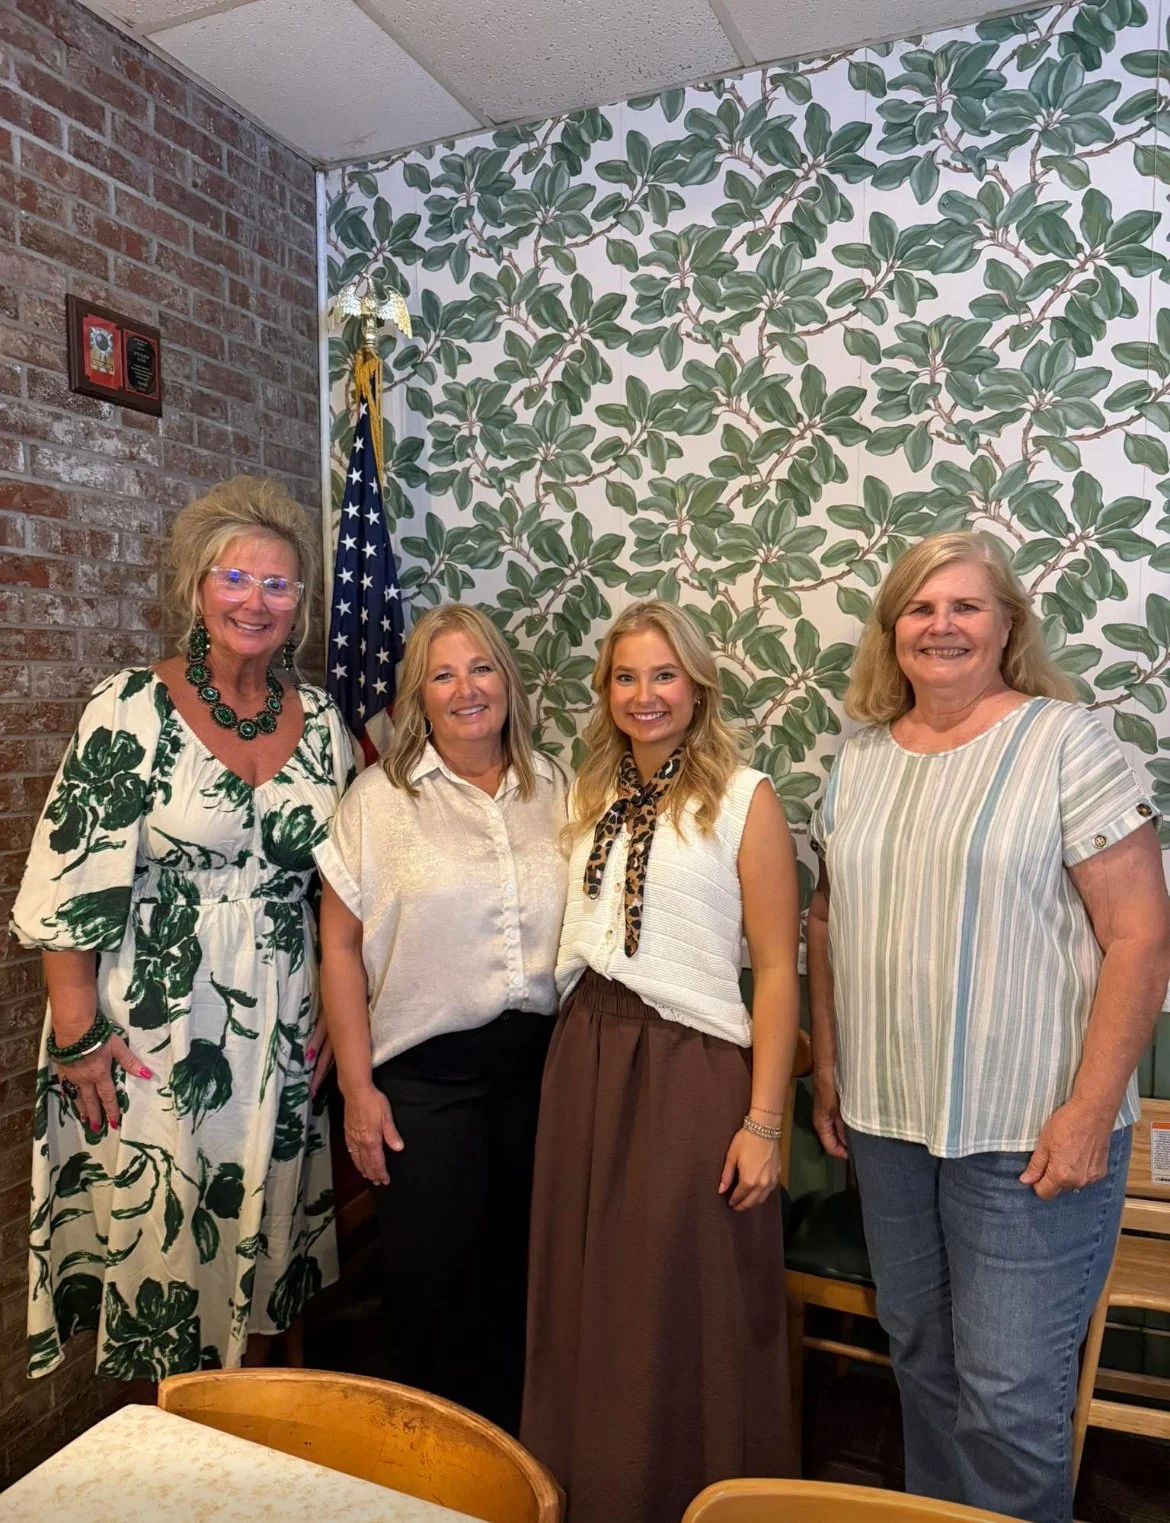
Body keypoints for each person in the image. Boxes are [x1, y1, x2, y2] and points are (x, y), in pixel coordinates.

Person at [807, 531, 1170, 1523]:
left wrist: (1092, 1109)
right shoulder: (859, 760)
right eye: (920, 607)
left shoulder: (1069, 743)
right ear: (893, 632)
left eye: (965, 605)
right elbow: (829, 915)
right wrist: (830, 1068)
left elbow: (1141, 937)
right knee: (920, 1351)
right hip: (889, 1122)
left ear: (1008, 622)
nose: (942, 624)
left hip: (1029, 1132)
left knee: (1008, 1398)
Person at [13, 475, 354, 1382]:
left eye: (279, 585)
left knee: (268, 1247)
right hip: (155, 1028)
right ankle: (182, 1471)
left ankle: (271, 1457)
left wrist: (337, 1012)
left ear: (301, 605)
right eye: (235, 578)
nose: (256, 600)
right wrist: (80, 1035)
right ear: (197, 589)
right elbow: (68, 880)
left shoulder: (322, 724)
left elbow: (345, 892)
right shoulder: (128, 706)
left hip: (283, 1027)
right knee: (169, 1244)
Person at [522, 599, 801, 1523]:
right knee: (586, 1289)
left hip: (688, 1067)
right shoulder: (586, 795)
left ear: (698, 686)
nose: (646, 695)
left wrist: (765, 1122)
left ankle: (701, 1494)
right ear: (605, 690)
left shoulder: (745, 799)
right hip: (586, 1055)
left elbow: (774, 973)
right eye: (627, 677)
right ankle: (589, 1487)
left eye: (665, 675)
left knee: (687, 1293)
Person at [315, 603, 567, 1435]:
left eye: (482, 667)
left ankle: (521, 1469)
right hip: (425, 1083)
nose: (467, 689)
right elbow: (341, 951)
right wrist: (357, 1089)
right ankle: (434, 1476)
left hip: (543, 1075)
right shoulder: (377, 801)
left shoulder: (558, 787)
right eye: (444, 673)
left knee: (528, 1287)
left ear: (508, 680)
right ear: (418, 695)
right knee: (434, 1293)